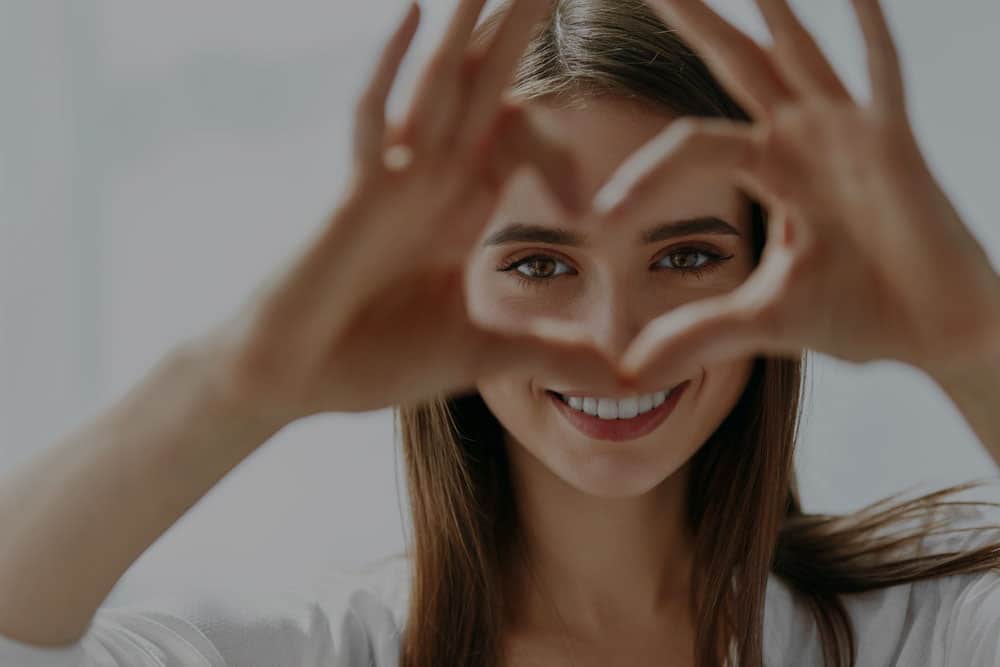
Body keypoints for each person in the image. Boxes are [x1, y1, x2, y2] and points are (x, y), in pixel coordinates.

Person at [1, 0, 999, 665]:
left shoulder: (920, 631)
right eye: (538, 264)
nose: (615, 332)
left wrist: (973, 341)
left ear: (770, 266)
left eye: (687, 255)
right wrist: (237, 382)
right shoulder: (308, 648)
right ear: (449, 285)